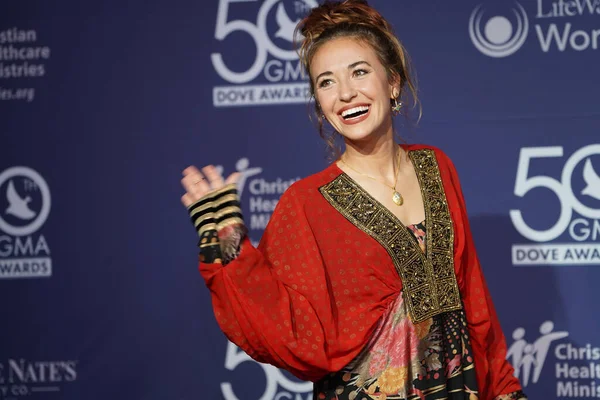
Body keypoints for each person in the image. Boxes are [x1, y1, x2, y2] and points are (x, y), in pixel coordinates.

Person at [180, 1, 526, 399]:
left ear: (392, 82)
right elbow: (287, 328)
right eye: (326, 82)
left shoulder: (437, 167)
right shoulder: (306, 203)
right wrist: (224, 236)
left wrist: (502, 387)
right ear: (319, 104)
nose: (345, 93)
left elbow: (473, 299)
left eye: (359, 72)